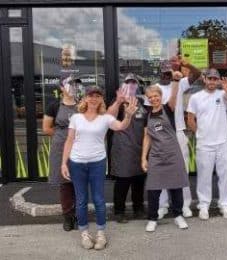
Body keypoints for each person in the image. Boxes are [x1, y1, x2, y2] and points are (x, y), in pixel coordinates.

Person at [61, 86, 137, 250]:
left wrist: (129, 115)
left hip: (97, 163)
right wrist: (63, 163)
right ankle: (85, 233)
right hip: (77, 163)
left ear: (101, 99)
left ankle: (101, 233)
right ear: (86, 98)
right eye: (91, 95)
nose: (94, 99)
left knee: (99, 200)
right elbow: (69, 140)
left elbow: (121, 126)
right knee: (81, 201)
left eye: (97, 96)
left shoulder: (105, 118)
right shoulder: (76, 117)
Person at [145, 57, 201, 219]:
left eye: (168, 72)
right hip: (159, 135)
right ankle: (162, 206)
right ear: (160, 73)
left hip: (178, 131)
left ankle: (184, 205)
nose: (166, 76)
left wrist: (185, 64)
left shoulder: (180, 82)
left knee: (180, 171)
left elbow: (197, 73)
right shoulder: (153, 89)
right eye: (163, 73)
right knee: (160, 171)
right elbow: (149, 116)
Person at [141, 72, 190, 232]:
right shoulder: (147, 116)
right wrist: (143, 158)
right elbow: (147, 138)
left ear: (160, 96)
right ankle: (152, 218)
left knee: (176, 187)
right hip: (156, 156)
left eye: (156, 96)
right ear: (147, 99)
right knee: (154, 189)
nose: (153, 99)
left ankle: (178, 215)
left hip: (173, 154)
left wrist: (176, 80)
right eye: (150, 97)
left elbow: (175, 95)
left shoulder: (168, 109)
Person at [186, 68, 227, 220]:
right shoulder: (196, 97)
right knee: (204, 176)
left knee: (224, 175)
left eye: (215, 79)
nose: (212, 81)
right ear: (204, 79)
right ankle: (203, 205)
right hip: (204, 144)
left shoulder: (222, 94)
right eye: (210, 78)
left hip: (222, 141)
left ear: (218, 80)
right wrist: (199, 134)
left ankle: (224, 205)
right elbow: (190, 119)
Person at [42, 75, 81, 231]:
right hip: (60, 149)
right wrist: (64, 138)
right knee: (65, 185)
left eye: (75, 85)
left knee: (79, 184)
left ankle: (79, 215)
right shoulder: (54, 106)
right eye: (69, 84)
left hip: (80, 149)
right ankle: (68, 218)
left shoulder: (82, 105)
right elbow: (47, 128)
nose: (73, 87)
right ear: (61, 88)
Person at [107, 73, 147, 223]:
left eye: (134, 83)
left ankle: (138, 209)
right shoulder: (118, 102)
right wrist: (118, 102)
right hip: (123, 149)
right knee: (123, 182)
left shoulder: (142, 102)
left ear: (137, 85)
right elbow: (108, 117)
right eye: (128, 83)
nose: (131, 85)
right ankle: (119, 211)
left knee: (139, 181)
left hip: (139, 148)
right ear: (123, 85)